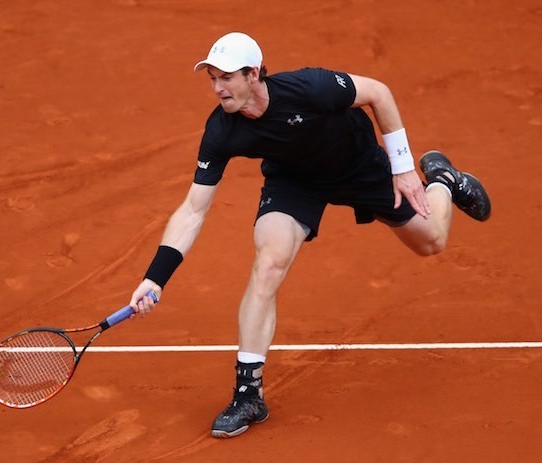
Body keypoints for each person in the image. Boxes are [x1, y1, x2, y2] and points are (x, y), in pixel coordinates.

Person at [128, 32, 491, 438]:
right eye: (212, 78)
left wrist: (404, 168)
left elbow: (378, 92)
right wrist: (155, 277)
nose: (217, 88)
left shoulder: (309, 87)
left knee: (432, 241)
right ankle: (249, 394)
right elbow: (193, 210)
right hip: (294, 182)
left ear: (252, 74)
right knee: (268, 263)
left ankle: (442, 179)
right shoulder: (222, 130)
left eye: (226, 77)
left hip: (358, 167)